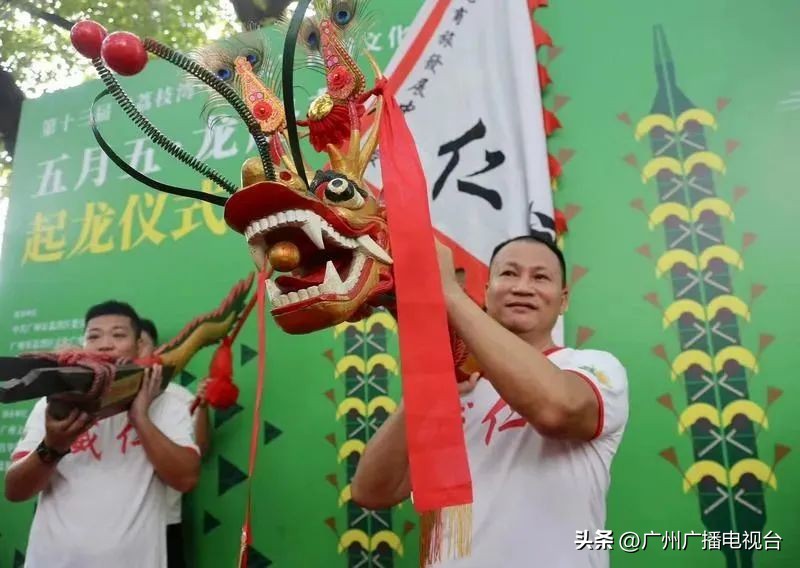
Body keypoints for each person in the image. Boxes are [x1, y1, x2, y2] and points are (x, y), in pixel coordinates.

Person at [351, 235, 629, 567]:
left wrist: (449, 293)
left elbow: (557, 411)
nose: (523, 287)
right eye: (509, 274)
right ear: (486, 290)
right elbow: (373, 492)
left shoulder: (592, 368)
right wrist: (425, 394)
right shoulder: (455, 384)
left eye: (540, 277)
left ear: (563, 299)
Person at [5, 301, 200, 568]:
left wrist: (140, 417)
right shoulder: (51, 405)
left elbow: (186, 478)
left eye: (118, 335)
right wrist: (53, 446)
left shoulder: (167, 403)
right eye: (93, 336)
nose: (104, 344)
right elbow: (14, 491)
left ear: (138, 345)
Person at [139, 318, 210, 568]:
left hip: (164, 521)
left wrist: (203, 407)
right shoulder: (98, 400)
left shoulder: (177, 397)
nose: (135, 349)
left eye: (142, 343)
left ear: (157, 349)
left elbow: (200, 448)